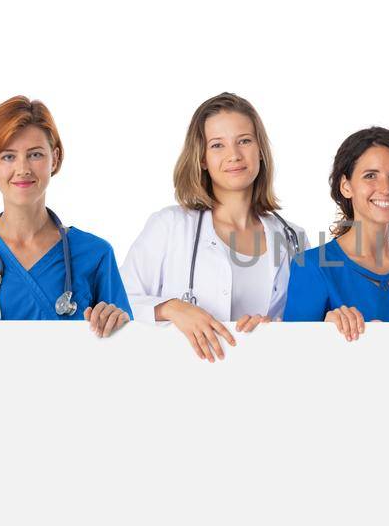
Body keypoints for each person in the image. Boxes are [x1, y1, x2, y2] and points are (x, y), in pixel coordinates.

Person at [0, 96, 131, 341]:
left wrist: (118, 323)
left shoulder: (95, 253)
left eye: (35, 154)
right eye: (8, 156)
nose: (23, 168)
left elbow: (127, 350)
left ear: (55, 158)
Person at [120, 93, 308, 362]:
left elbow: (306, 319)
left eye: (244, 141)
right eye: (218, 145)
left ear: (260, 151)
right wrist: (171, 308)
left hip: (266, 369)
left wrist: (276, 327)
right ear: (202, 159)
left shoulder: (293, 238)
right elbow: (118, 300)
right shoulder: (170, 226)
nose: (234, 155)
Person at [284, 127, 389, 341]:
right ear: (346, 186)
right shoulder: (311, 266)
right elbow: (290, 354)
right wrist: (324, 332)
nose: (386, 188)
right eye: (371, 175)